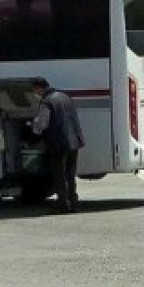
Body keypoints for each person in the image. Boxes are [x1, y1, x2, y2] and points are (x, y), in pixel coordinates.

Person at [30, 76, 85, 213]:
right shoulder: (65, 96)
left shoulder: (47, 102)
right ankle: (73, 202)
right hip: (74, 141)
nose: (36, 94)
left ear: (39, 88)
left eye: (35, 91)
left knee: (59, 174)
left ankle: (63, 204)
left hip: (58, 143)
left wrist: (32, 129)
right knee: (70, 174)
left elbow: (42, 124)